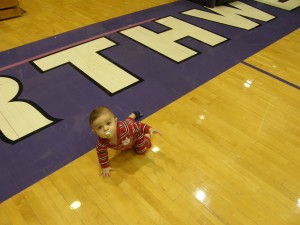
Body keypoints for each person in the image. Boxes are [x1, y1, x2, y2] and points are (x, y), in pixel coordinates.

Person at [89, 106, 161, 177]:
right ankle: (132, 115)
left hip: (136, 137)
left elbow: (138, 126)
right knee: (128, 122)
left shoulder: (125, 128)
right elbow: (102, 153)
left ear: (115, 121)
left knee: (142, 150)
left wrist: (149, 130)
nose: (105, 129)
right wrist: (105, 166)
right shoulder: (101, 142)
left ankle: (147, 136)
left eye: (108, 123)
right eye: (99, 127)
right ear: (95, 132)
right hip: (126, 143)